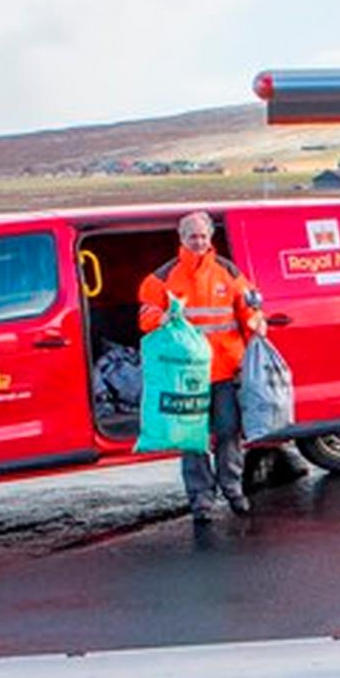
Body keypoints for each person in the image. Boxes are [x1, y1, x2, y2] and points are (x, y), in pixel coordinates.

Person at [138, 211, 265, 521]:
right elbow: (145, 318)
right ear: (181, 239)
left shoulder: (228, 273)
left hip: (224, 371)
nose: (198, 242)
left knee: (228, 433)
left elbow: (249, 309)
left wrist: (258, 326)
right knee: (191, 438)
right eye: (192, 237)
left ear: (211, 238)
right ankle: (201, 501)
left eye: (203, 236)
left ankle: (233, 490)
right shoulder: (162, 278)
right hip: (186, 376)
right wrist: (160, 319)